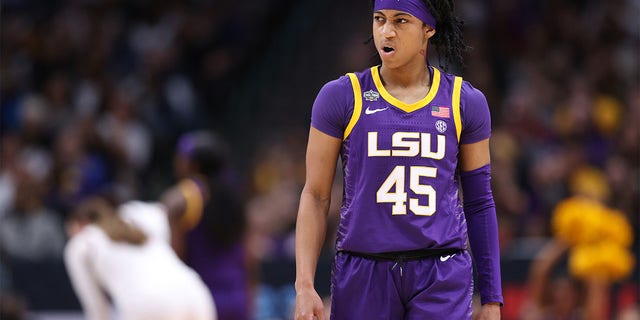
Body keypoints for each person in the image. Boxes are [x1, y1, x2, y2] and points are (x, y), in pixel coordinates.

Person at [294, 0, 503, 319]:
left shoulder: (465, 101)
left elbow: (479, 202)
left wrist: (491, 298)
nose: (386, 32)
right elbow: (316, 195)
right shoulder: (342, 95)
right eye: (379, 20)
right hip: (363, 267)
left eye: (401, 21)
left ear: (428, 29)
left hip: (441, 271)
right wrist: (304, 286)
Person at [64, 197, 217, 320]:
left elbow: (98, 311)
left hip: (150, 305)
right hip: (196, 294)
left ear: (81, 223)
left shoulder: (80, 243)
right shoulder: (138, 224)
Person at [160, 131, 250, 320]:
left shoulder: (187, 193)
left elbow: (176, 255)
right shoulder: (235, 192)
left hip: (201, 298)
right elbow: (250, 255)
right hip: (237, 294)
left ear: (193, 164)